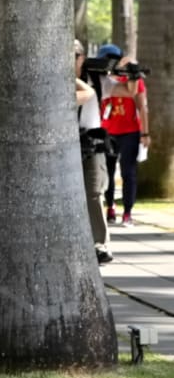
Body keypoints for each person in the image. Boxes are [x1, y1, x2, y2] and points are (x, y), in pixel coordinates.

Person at [98, 44, 149, 227]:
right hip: (107, 130)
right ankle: (110, 207)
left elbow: (141, 105)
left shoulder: (132, 79)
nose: (111, 62)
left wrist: (145, 133)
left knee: (128, 172)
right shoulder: (101, 79)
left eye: (115, 58)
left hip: (129, 131)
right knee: (107, 173)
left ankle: (127, 212)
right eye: (107, 58)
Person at [75, 40, 112, 264]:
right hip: (67, 144)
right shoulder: (56, 80)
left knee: (93, 194)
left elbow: (126, 90)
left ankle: (100, 244)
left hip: (92, 144)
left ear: (81, 58)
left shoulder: (96, 80)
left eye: (73, 56)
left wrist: (132, 71)